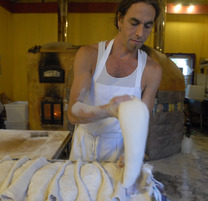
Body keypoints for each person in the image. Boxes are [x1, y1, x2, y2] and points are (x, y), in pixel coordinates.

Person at [68, 0, 162, 162]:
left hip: (119, 151)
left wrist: (135, 152)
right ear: (119, 20)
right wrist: (109, 110)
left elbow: (142, 121)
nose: (141, 33)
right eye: (134, 23)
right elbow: (73, 113)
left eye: (147, 26)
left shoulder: (152, 70)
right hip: (83, 146)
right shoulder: (89, 55)